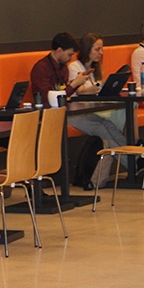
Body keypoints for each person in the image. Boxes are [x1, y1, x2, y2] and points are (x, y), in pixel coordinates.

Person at [31, 33, 127, 189]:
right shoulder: (41, 69)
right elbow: (50, 99)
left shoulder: (62, 67)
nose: (71, 58)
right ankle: (135, 165)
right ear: (59, 51)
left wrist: (75, 84)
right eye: (69, 54)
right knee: (102, 128)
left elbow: (64, 95)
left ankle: (137, 160)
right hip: (51, 116)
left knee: (107, 124)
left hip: (67, 112)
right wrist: (75, 84)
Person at [68, 33, 126, 131]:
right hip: (84, 109)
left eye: (101, 49)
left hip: (98, 105)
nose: (101, 53)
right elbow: (80, 91)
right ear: (87, 49)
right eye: (97, 49)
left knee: (129, 105)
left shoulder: (96, 67)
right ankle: (129, 137)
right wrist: (100, 85)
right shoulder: (74, 67)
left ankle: (133, 138)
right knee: (120, 110)